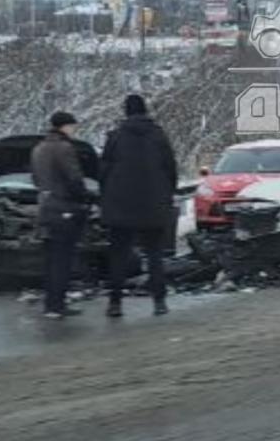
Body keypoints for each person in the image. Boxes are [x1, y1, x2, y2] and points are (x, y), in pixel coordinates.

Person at [101, 94, 177, 317]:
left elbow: (103, 171)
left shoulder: (115, 137)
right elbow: (170, 169)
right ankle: (159, 302)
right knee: (154, 254)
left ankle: (115, 303)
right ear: (145, 111)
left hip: (121, 205)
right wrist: (166, 195)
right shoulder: (158, 135)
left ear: (125, 111)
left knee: (118, 255)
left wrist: (106, 197)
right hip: (153, 205)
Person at [30, 110, 90, 320]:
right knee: (63, 259)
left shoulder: (39, 149)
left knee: (51, 259)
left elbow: (36, 180)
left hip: (46, 209)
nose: (74, 130)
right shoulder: (64, 148)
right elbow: (74, 179)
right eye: (73, 126)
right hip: (65, 209)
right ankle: (58, 305)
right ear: (64, 126)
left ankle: (51, 303)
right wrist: (84, 198)